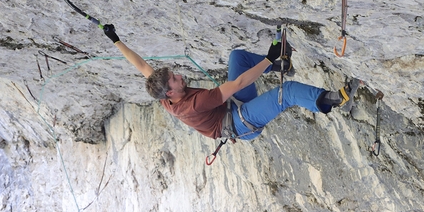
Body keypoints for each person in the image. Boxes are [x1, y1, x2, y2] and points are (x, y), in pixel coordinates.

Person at [103, 24, 359, 141]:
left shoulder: (164, 95)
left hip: (232, 108)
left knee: (237, 56)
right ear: (171, 90)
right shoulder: (195, 103)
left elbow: (140, 65)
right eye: (175, 78)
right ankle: (334, 101)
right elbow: (238, 83)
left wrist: (115, 38)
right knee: (287, 92)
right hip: (240, 124)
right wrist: (268, 56)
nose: (180, 76)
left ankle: (283, 65)